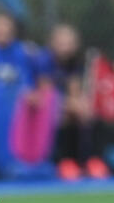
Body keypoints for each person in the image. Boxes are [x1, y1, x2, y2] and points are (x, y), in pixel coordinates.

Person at [35, 23, 109, 181]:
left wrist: (80, 105)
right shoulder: (44, 61)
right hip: (43, 109)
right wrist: (71, 105)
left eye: (69, 43)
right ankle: (64, 162)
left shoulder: (74, 63)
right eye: (61, 43)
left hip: (66, 106)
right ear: (52, 43)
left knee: (85, 114)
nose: (65, 48)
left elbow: (74, 90)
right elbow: (47, 94)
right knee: (65, 117)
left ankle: (88, 161)